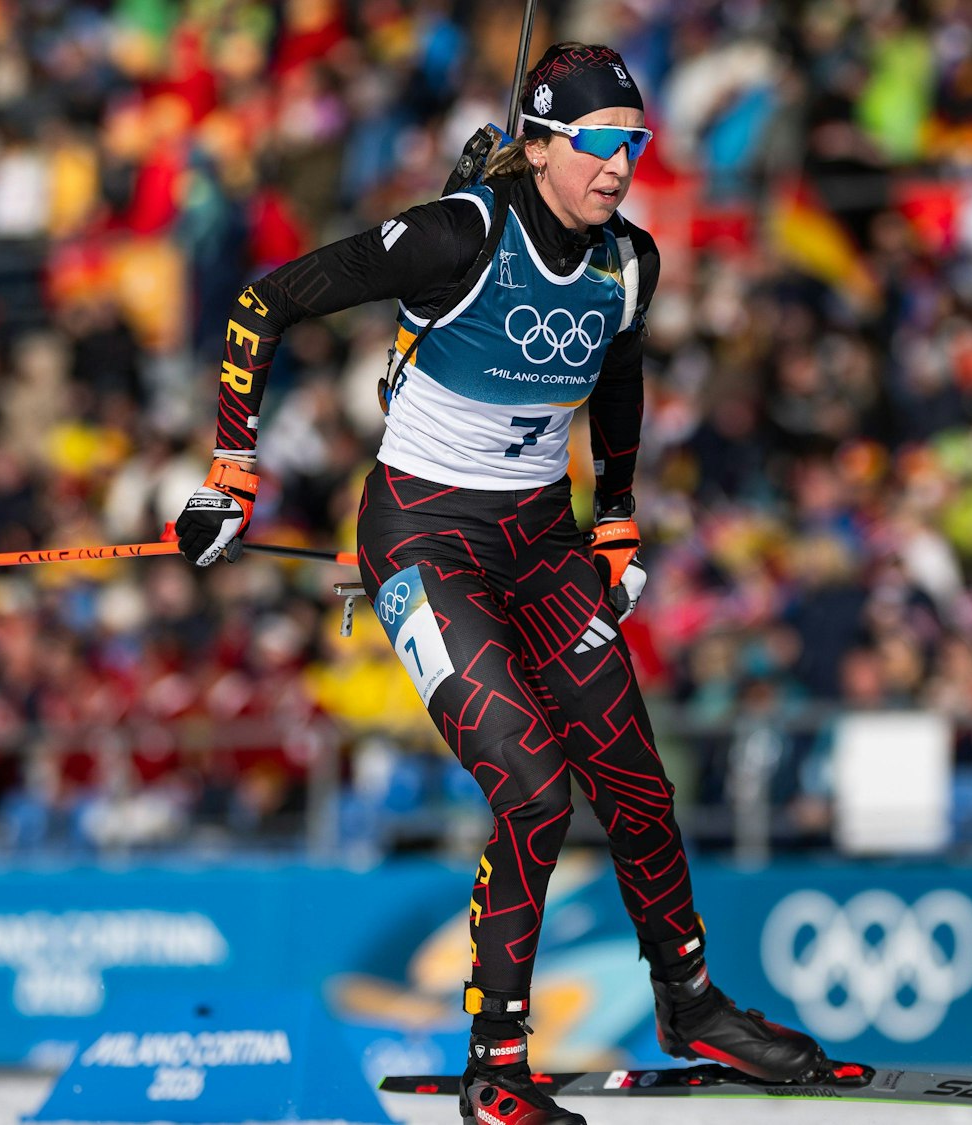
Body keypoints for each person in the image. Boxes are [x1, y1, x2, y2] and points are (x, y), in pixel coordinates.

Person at [174, 42, 828, 1125]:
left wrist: (615, 517)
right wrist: (231, 473)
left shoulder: (629, 261)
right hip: (424, 542)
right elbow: (263, 301)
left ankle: (691, 1004)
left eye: (634, 143)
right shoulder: (460, 233)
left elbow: (619, 380)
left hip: (540, 543)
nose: (619, 165)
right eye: (598, 143)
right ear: (540, 144)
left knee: (637, 782)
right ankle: (496, 1067)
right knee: (532, 789)